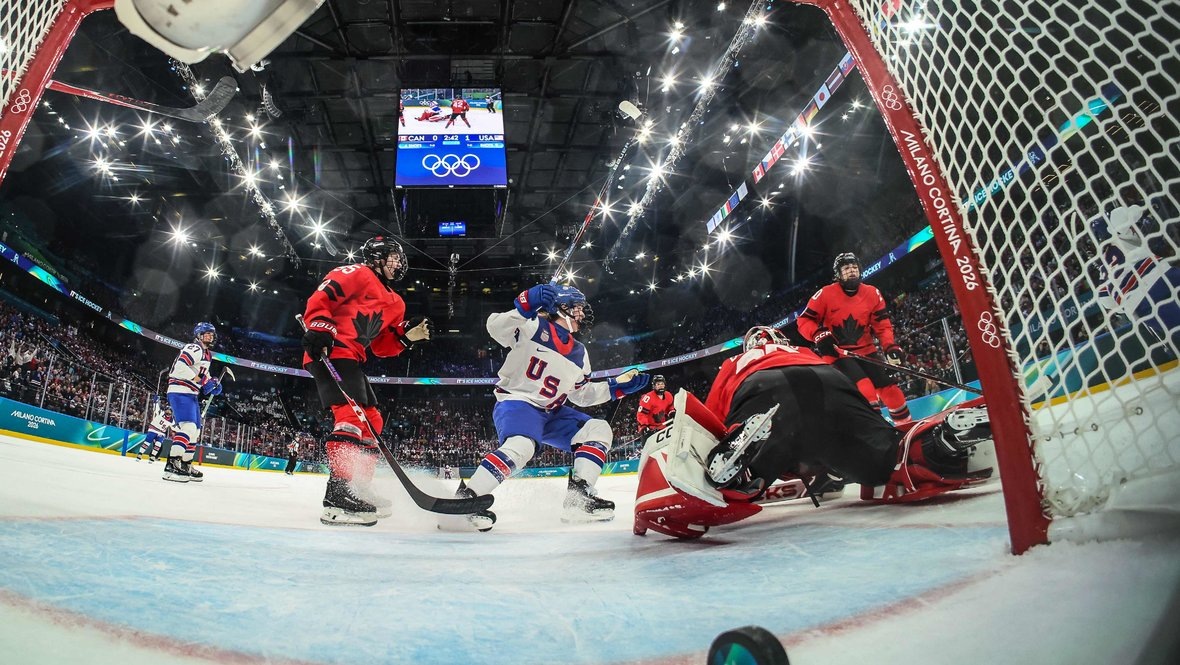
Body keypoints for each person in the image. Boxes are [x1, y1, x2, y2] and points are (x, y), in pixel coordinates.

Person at [633, 326, 993, 539]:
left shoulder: (734, 362)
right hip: (831, 384)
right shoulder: (801, 350)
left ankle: (744, 464)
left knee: (738, 478)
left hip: (765, 390)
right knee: (884, 458)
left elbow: (711, 417)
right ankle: (942, 440)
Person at [446, 283, 650, 531]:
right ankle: (467, 499)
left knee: (598, 429)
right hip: (519, 402)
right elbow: (495, 326)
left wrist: (616, 387)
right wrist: (524, 304)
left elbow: (582, 394)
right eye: (577, 308)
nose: (583, 314)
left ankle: (578, 499)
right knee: (521, 446)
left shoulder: (580, 352)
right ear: (561, 308)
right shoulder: (532, 325)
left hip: (553, 412)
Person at [301, 235, 432, 527]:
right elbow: (322, 297)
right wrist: (319, 326)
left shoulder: (396, 303)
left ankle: (359, 486)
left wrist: (405, 338)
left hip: (353, 359)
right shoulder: (356, 272)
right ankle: (336, 496)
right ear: (376, 256)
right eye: (393, 257)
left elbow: (382, 348)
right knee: (350, 416)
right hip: (331, 350)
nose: (398, 264)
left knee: (372, 419)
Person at [797, 252, 912, 424]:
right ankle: (875, 434)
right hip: (837, 353)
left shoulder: (872, 293)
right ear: (838, 274)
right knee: (865, 389)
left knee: (891, 390)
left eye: (854, 267)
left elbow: (882, 324)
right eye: (846, 268)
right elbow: (804, 320)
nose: (851, 271)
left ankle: (907, 428)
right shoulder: (825, 294)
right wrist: (818, 334)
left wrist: (890, 347)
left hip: (867, 351)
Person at [163, 322, 223, 483]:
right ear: (199, 335)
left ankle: (185, 465)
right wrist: (201, 380)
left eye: (212, 334)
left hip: (190, 394)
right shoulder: (194, 348)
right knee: (188, 427)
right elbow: (180, 367)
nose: (211, 336)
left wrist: (213, 384)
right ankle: (171, 465)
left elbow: (203, 375)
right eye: (207, 333)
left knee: (195, 431)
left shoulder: (207, 354)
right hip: (180, 390)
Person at [135, 397, 173, 462]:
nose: (168, 412)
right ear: (165, 410)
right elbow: (156, 406)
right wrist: (156, 400)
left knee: (158, 444)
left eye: (170, 411)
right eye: (167, 410)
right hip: (153, 429)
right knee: (147, 442)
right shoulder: (160, 412)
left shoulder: (172, 420)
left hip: (161, 433)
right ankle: (140, 454)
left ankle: (152, 456)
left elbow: (175, 427)